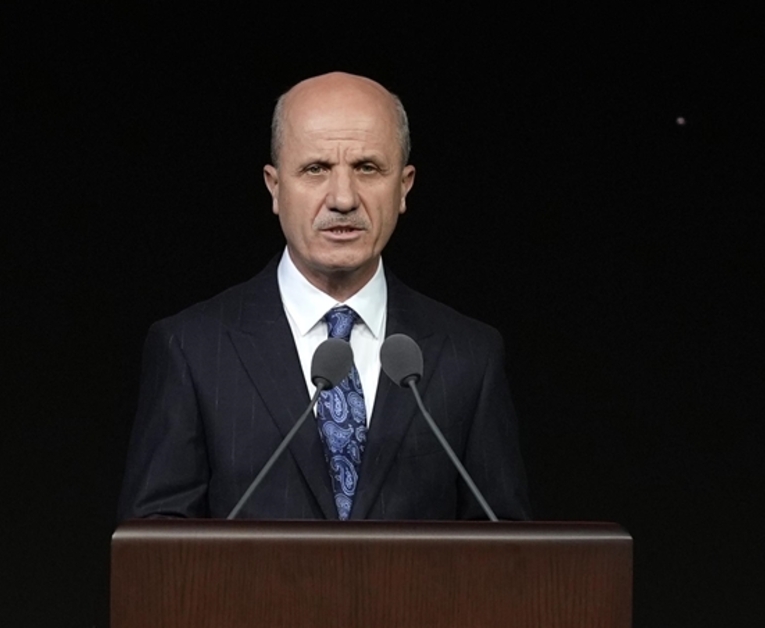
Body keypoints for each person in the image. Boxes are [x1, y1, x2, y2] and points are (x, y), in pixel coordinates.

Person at [118, 72, 530, 520]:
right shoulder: (192, 349)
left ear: (404, 186)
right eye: (316, 169)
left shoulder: (469, 355)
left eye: (367, 168)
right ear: (275, 186)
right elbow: (156, 544)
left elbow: (504, 543)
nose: (343, 199)